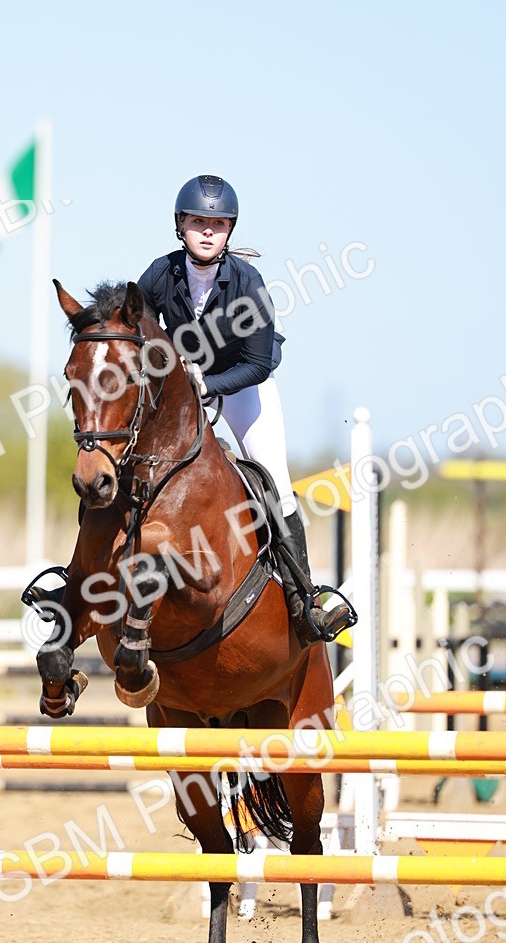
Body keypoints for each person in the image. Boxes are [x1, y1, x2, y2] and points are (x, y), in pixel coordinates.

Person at [137, 173, 349, 644]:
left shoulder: (247, 283)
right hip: (184, 388)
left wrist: (206, 383)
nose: (208, 230)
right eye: (198, 221)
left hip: (240, 385)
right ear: (181, 226)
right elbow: (137, 331)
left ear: (230, 229)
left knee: (274, 479)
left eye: (218, 222)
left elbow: (256, 363)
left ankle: (303, 598)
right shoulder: (159, 274)